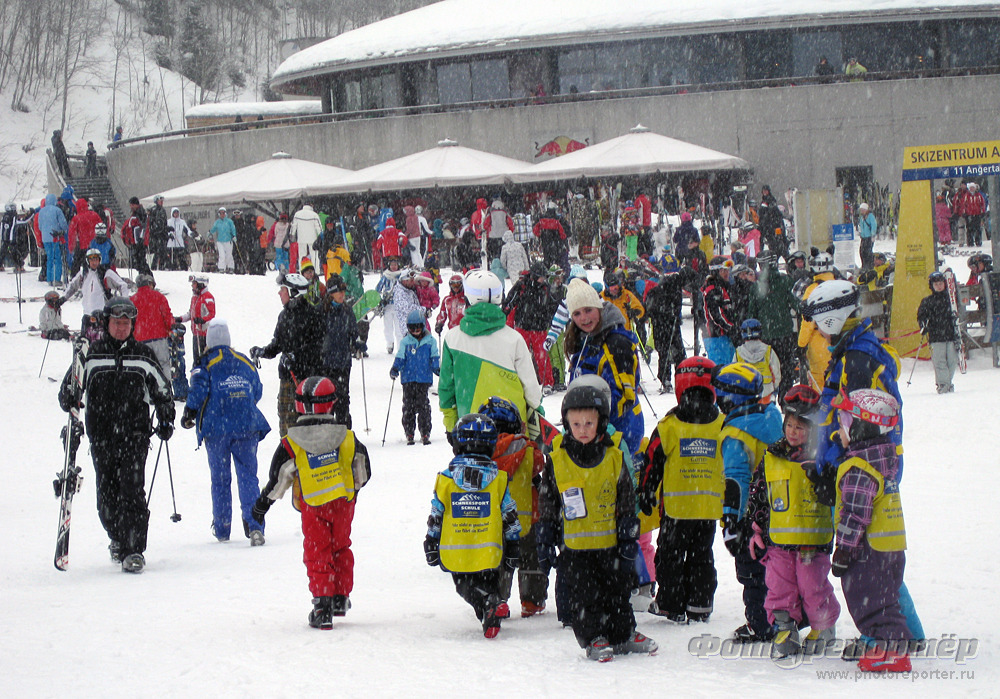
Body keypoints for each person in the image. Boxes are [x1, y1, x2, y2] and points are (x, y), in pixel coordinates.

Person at [537, 383, 658, 661]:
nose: (582, 429)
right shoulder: (557, 460)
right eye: (576, 424)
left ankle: (623, 634)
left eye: (589, 423)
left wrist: (628, 534)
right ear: (567, 424)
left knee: (617, 592)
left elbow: (625, 497)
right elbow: (547, 503)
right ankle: (594, 637)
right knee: (586, 596)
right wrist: (544, 540)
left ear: (601, 423)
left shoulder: (614, 457)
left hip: (610, 544)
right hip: (575, 549)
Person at [58, 296, 175, 573]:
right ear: (106, 323)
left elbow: (162, 390)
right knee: (107, 499)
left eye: (126, 324)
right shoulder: (92, 355)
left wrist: (166, 414)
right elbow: (69, 390)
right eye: (116, 323)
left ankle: (133, 549)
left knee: (132, 492)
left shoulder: (143, 355)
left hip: (135, 435)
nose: (121, 329)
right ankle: (118, 537)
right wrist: (70, 397)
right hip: (102, 437)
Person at [253, 376, 372, 629]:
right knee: (341, 548)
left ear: (297, 405)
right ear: (332, 403)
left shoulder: (292, 443)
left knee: (318, 553)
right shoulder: (347, 437)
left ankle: (322, 606)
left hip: (313, 504)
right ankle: (339, 597)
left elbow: (279, 478)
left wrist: (262, 504)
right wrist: (352, 489)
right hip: (342, 504)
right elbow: (363, 469)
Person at [745, 385, 840, 658]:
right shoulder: (772, 456)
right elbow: (759, 493)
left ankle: (823, 626)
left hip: (813, 540)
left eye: (800, 427)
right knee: (779, 586)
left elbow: (835, 494)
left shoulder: (823, 458)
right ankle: (785, 628)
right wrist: (756, 527)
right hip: (779, 542)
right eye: (789, 425)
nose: (793, 431)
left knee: (813, 586)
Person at [829, 389, 911, 672]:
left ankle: (892, 651)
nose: (839, 429)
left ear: (861, 428)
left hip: (867, 551)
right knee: (885, 599)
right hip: (889, 547)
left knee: (872, 603)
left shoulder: (859, 468)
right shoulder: (884, 457)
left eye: (844, 422)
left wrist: (843, 551)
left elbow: (855, 514)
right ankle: (890, 643)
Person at [639, 356, 724, 624]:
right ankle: (700, 603)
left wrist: (646, 491)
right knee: (702, 556)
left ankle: (670, 603)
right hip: (708, 509)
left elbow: (652, 461)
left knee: (670, 557)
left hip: (676, 510)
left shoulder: (669, 426)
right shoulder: (722, 425)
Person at [424, 414, 519, 638]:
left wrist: (431, 540)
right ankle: (490, 612)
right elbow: (509, 514)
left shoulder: (446, 480)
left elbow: (437, 514)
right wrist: (514, 543)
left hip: (458, 550)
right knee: (490, 583)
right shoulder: (499, 480)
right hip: (490, 550)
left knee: (465, 586)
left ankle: (488, 603)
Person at [181, 320, 270, 544]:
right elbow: (257, 389)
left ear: (209, 341)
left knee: (220, 479)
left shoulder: (205, 363)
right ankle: (255, 525)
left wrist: (189, 412)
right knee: (248, 476)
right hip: (247, 425)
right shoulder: (244, 361)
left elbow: (198, 390)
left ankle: (222, 528)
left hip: (216, 427)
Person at [713, 362, 783, 643]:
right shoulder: (771, 418)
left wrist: (732, 521)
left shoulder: (736, 434)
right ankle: (784, 616)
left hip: (751, 515)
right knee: (779, 568)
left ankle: (760, 623)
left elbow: (736, 480)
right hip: (779, 508)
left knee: (752, 571)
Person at [439, 270, 543, 432]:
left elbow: (447, 388)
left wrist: (451, 422)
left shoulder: (453, 339)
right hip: (514, 428)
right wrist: (538, 413)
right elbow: (531, 388)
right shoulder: (514, 338)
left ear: (468, 299)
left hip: (472, 428)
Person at [478, 396, 549, 618]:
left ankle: (497, 599)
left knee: (499, 561)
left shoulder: (481, 453)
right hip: (527, 517)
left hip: (495, 521)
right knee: (531, 560)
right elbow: (539, 463)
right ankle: (532, 600)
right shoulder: (527, 449)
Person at [563, 277, 644, 460]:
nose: (584, 318)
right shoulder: (585, 339)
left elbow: (624, 397)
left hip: (619, 434)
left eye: (588, 310)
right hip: (589, 433)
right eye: (577, 313)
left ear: (598, 307)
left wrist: (596, 427)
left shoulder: (616, 343)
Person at [251, 273, 325, 437]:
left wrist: (296, 356)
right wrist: (262, 351)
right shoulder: (284, 316)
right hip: (287, 378)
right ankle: (287, 449)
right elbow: (278, 344)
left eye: (283, 290)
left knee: (305, 422)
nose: (279, 293)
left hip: (306, 380)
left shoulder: (312, 315)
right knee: (286, 419)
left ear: (293, 293)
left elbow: (317, 347)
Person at [747, 252, 799, 401]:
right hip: (785, 334)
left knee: (767, 370)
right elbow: (796, 305)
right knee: (786, 369)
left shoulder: (756, 287)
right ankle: (785, 399)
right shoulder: (786, 282)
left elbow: (752, 313)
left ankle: (768, 400)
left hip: (766, 336)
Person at [503, 262, 561, 393]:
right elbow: (510, 301)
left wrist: (551, 319)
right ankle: (517, 381)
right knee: (519, 356)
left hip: (539, 328)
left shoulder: (545, 288)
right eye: (541, 277)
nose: (543, 279)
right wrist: (504, 314)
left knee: (542, 357)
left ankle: (548, 382)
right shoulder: (522, 286)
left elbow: (552, 306)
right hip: (522, 327)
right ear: (534, 276)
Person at [644, 258, 695, 394]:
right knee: (666, 352)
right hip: (663, 323)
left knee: (676, 352)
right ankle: (666, 378)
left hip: (670, 322)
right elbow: (656, 304)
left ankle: (678, 377)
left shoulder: (675, 282)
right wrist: (667, 312)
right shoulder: (673, 283)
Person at [390, 309, 440, 445]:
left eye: (418, 327)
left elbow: (434, 356)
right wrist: (395, 368)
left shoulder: (430, 341)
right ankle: (409, 431)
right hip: (408, 379)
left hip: (423, 379)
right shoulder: (405, 342)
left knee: (423, 406)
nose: (416, 331)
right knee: (408, 406)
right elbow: (400, 357)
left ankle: (425, 431)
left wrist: (436, 367)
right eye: (412, 328)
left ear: (423, 326)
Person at [62, 247, 130, 338]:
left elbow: (123, 286)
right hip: (87, 315)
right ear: (87, 261)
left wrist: (125, 303)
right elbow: (73, 286)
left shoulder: (106, 273)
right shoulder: (84, 273)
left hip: (102, 316)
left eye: (96, 260)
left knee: (102, 342)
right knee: (84, 342)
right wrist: (63, 298)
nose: (94, 263)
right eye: (92, 260)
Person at [916, 272, 958, 393]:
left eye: (941, 283)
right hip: (936, 336)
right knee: (939, 362)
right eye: (936, 284)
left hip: (951, 335)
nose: (939, 286)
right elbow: (921, 316)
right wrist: (924, 325)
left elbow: (958, 313)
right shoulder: (928, 301)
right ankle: (944, 385)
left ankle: (947, 382)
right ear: (932, 286)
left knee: (952, 361)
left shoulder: (951, 300)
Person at [131, 274, 174, 382]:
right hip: (159, 338)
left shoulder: (132, 300)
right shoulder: (159, 297)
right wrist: (171, 329)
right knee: (163, 364)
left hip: (140, 340)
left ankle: (145, 388)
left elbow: (130, 322)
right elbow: (167, 316)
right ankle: (166, 387)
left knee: (143, 366)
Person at [734, 319, 782, 404]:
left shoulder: (738, 353)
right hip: (766, 393)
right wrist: (774, 388)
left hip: (746, 395)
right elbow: (776, 373)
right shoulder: (768, 351)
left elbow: (733, 375)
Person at [702, 257, 737, 367]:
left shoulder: (724, 287)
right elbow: (716, 314)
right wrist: (731, 327)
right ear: (716, 272)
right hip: (716, 337)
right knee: (721, 370)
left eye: (727, 270)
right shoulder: (712, 289)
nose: (726, 273)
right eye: (723, 271)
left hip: (726, 336)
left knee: (730, 368)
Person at [600, 269, 645, 334]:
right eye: (611, 288)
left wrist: (634, 312)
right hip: (608, 333)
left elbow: (640, 309)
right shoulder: (601, 298)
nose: (614, 290)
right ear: (607, 287)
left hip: (625, 332)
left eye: (616, 288)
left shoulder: (626, 295)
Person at [39, 193, 69, 287]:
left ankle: (49, 278)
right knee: (57, 258)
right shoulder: (57, 210)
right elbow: (63, 224)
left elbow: (40, 226)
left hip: (45, 238)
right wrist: (63, 230)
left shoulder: (41, 211)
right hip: (55, 237)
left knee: (49, 258)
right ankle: (56, 279)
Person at [210, 207, 237, 273]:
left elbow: (233, 229)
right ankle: (221, 268)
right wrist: (210, 233)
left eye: (223, 213)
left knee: (229, 254)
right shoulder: (217, 222)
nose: (222, 214)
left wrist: (234, 236)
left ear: (225, 213)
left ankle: (230, 267)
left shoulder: (229, 221)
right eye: (221, 213)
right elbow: (213, 229)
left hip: (228, 240)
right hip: (220, 241)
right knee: (222, 255)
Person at [147, 195, 169, 270]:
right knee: (157, 252)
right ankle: (154, 267)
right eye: (160, 201)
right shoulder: (154, 210)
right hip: (156, 235)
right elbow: (151, 222)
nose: (161, 202)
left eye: (162, 201)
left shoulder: (163, 210)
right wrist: (156, 229)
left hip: (163, 235)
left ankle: (162, 267)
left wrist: (166, 229)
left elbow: (164, 223)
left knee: (163, 252)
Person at [857, 203, 877, 269]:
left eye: (863, 210)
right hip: (863, 237)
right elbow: (861, 226)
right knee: (862, 252)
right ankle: (864, 265)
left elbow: (874, 225)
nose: (861, 211)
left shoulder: (870, 216)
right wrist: (861, 234)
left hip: (869, 237)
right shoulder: (861, 217)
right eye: (861, 210)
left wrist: (873, 235)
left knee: (868, 252)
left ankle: (869, 266)